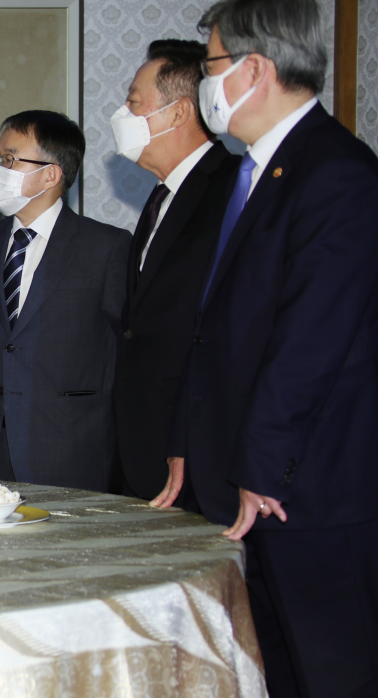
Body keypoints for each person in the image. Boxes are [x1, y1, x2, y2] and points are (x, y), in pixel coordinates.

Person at [154, 0, 378, 698]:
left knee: (334, 670)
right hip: (255, 482)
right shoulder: (255, 172)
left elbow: (311, 341)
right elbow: (225, 327)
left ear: (254, 69)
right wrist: (195, 440)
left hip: (307, 490)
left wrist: (258, 466)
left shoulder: (337, 173)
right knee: (275, 671)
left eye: (213, 63)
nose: (207, 84)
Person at [0, 110, 129, 491]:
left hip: (71, 448)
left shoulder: (105, 247)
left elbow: (126, 354)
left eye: (11, 159)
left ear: (51, 174)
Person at [110, 40, 237, 499]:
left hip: (196, 446)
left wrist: (187, 437)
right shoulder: (162, 195)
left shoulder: (233, 190)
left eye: (133, 102)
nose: (122, 114)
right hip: (142, 440)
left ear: (180, 113)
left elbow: (226, 329)